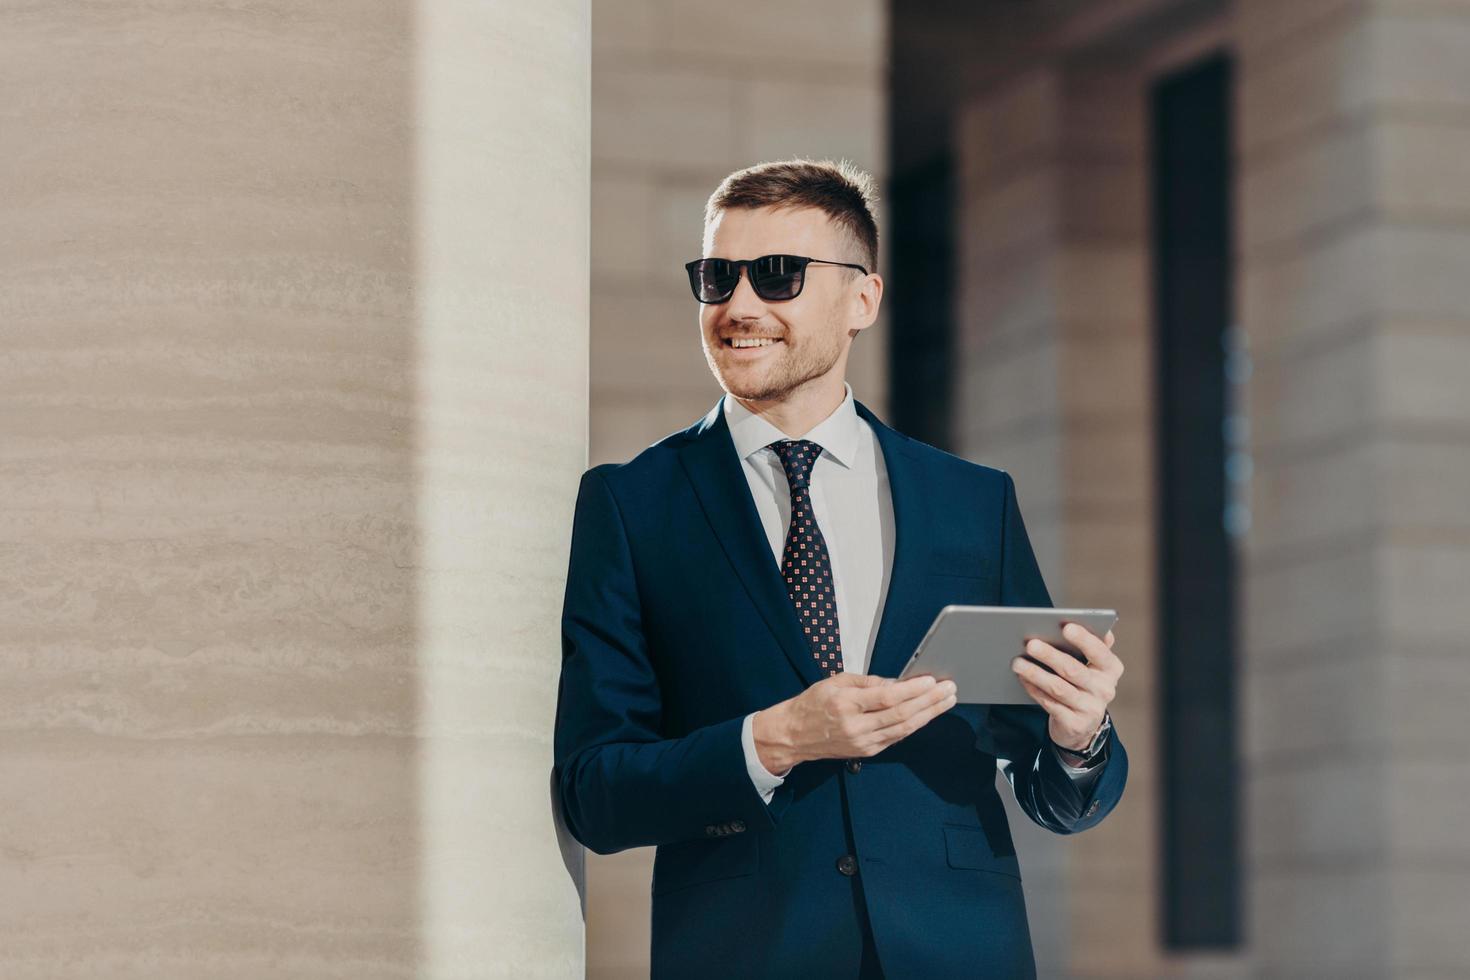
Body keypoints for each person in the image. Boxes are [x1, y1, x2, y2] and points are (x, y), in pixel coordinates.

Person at [552, 158, 1128, 979]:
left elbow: (1054, 789)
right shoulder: (631, 505)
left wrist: (1080, 738)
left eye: (778, 276)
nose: (739, 307)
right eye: (717, 278)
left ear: (863, 299)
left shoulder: (973, 502)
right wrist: (775, 740)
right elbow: (593, 792)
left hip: (961, 954)